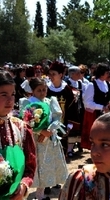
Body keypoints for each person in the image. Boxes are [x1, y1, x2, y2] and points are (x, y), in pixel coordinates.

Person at [19, 77, 68, 200]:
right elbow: (25, 121)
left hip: (48, 140)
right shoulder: (27, 102)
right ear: (33, 91)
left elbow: (57, 118)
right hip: (34, 140)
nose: (42, 92)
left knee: (46, 166)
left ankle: (40, 195)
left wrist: (49, 131)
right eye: (39, 90)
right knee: (35, 166)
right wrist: (40, 131)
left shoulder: (50, 101)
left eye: (44, 90)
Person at [0, 70, 36, 200]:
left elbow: (30, 166)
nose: (10, 100)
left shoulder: (21, 128)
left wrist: (23, 186)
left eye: (13, 94)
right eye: (4, 95)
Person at [81, 63, 110, 150]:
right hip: (94, 114)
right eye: (107, 73)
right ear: (101, 73)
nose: (109, 75)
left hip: (106, 114)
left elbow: (107, 99)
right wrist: (102, 107)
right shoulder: (92, 85)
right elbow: (87, 102)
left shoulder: (108, 84)